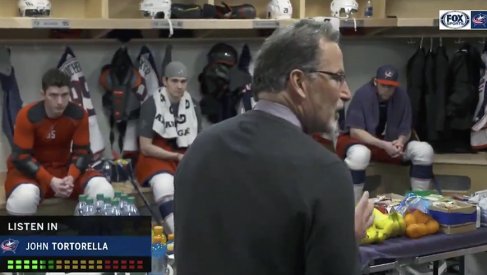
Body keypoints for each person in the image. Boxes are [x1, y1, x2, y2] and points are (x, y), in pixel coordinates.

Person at [174, 19, 373, 275]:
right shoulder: (325, 172)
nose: (345, 92)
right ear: (299, 83)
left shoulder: (200, 148)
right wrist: (345, 242)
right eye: (337, 77)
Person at [4, 69, 114, 215]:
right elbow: (21, 157)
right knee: (24, 198)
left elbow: (82, 153)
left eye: (65, 95)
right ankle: (23, 237)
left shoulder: (79, 114)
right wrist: (50, 180)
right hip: (30, 172)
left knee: (104, 189)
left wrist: (71, 178)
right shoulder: (27, 115)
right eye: (53, 95)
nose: (60, 102)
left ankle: (83, 233)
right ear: (43, 94)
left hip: (63, 169)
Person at [336, 64, 435, 203]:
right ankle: (352, 208)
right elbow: (355, 131)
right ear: (376, 82)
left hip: (391, 142)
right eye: (384, 85)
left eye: (391, 86)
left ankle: (419, 206)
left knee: (425, 150)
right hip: (366, 141)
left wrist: (400, 141)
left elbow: (406, 129)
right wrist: (383, 145)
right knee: (359, 155)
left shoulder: (402, 96)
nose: (388, 90)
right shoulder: (363, 94)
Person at [135, 61, 200, 234]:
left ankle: (201, 235)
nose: (179, 86)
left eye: (183, 81)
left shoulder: (193, 105)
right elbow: (145, 147)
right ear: (165, 80)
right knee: (164, 184)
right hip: (156, 156)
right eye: (175, 81)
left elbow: (197, 141)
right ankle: (177, 236)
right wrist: (176, 157)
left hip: (184, 153)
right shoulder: (151, 104)